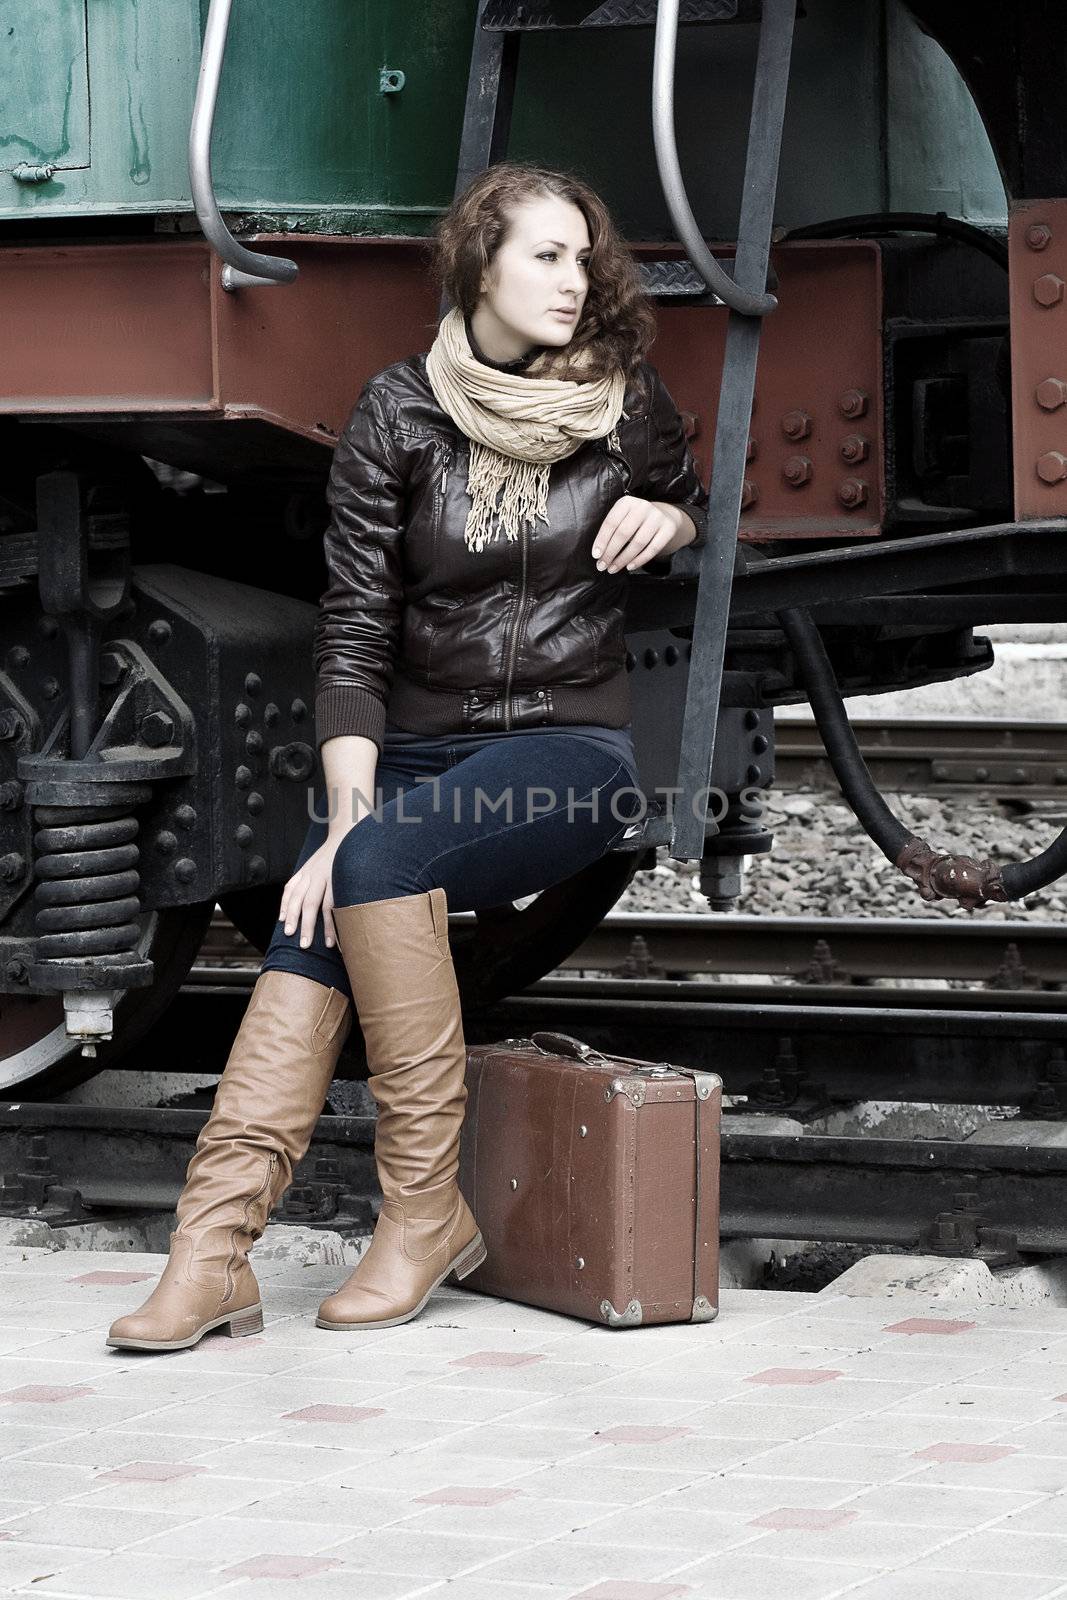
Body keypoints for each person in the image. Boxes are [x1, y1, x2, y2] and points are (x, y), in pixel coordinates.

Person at [106, 160, 709, 1352]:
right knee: (321, 909)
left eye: (584, 258)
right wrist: (342, 824)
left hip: (568, 752)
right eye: (544, 254)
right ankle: (211, 1253)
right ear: (476, 264)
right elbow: (353, 628)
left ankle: (423, 1213)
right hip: (421, 762)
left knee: (369, 874)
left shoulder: (622, 407)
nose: (571, 279)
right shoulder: (398, 412)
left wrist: (673, 519)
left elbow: (687, 507)